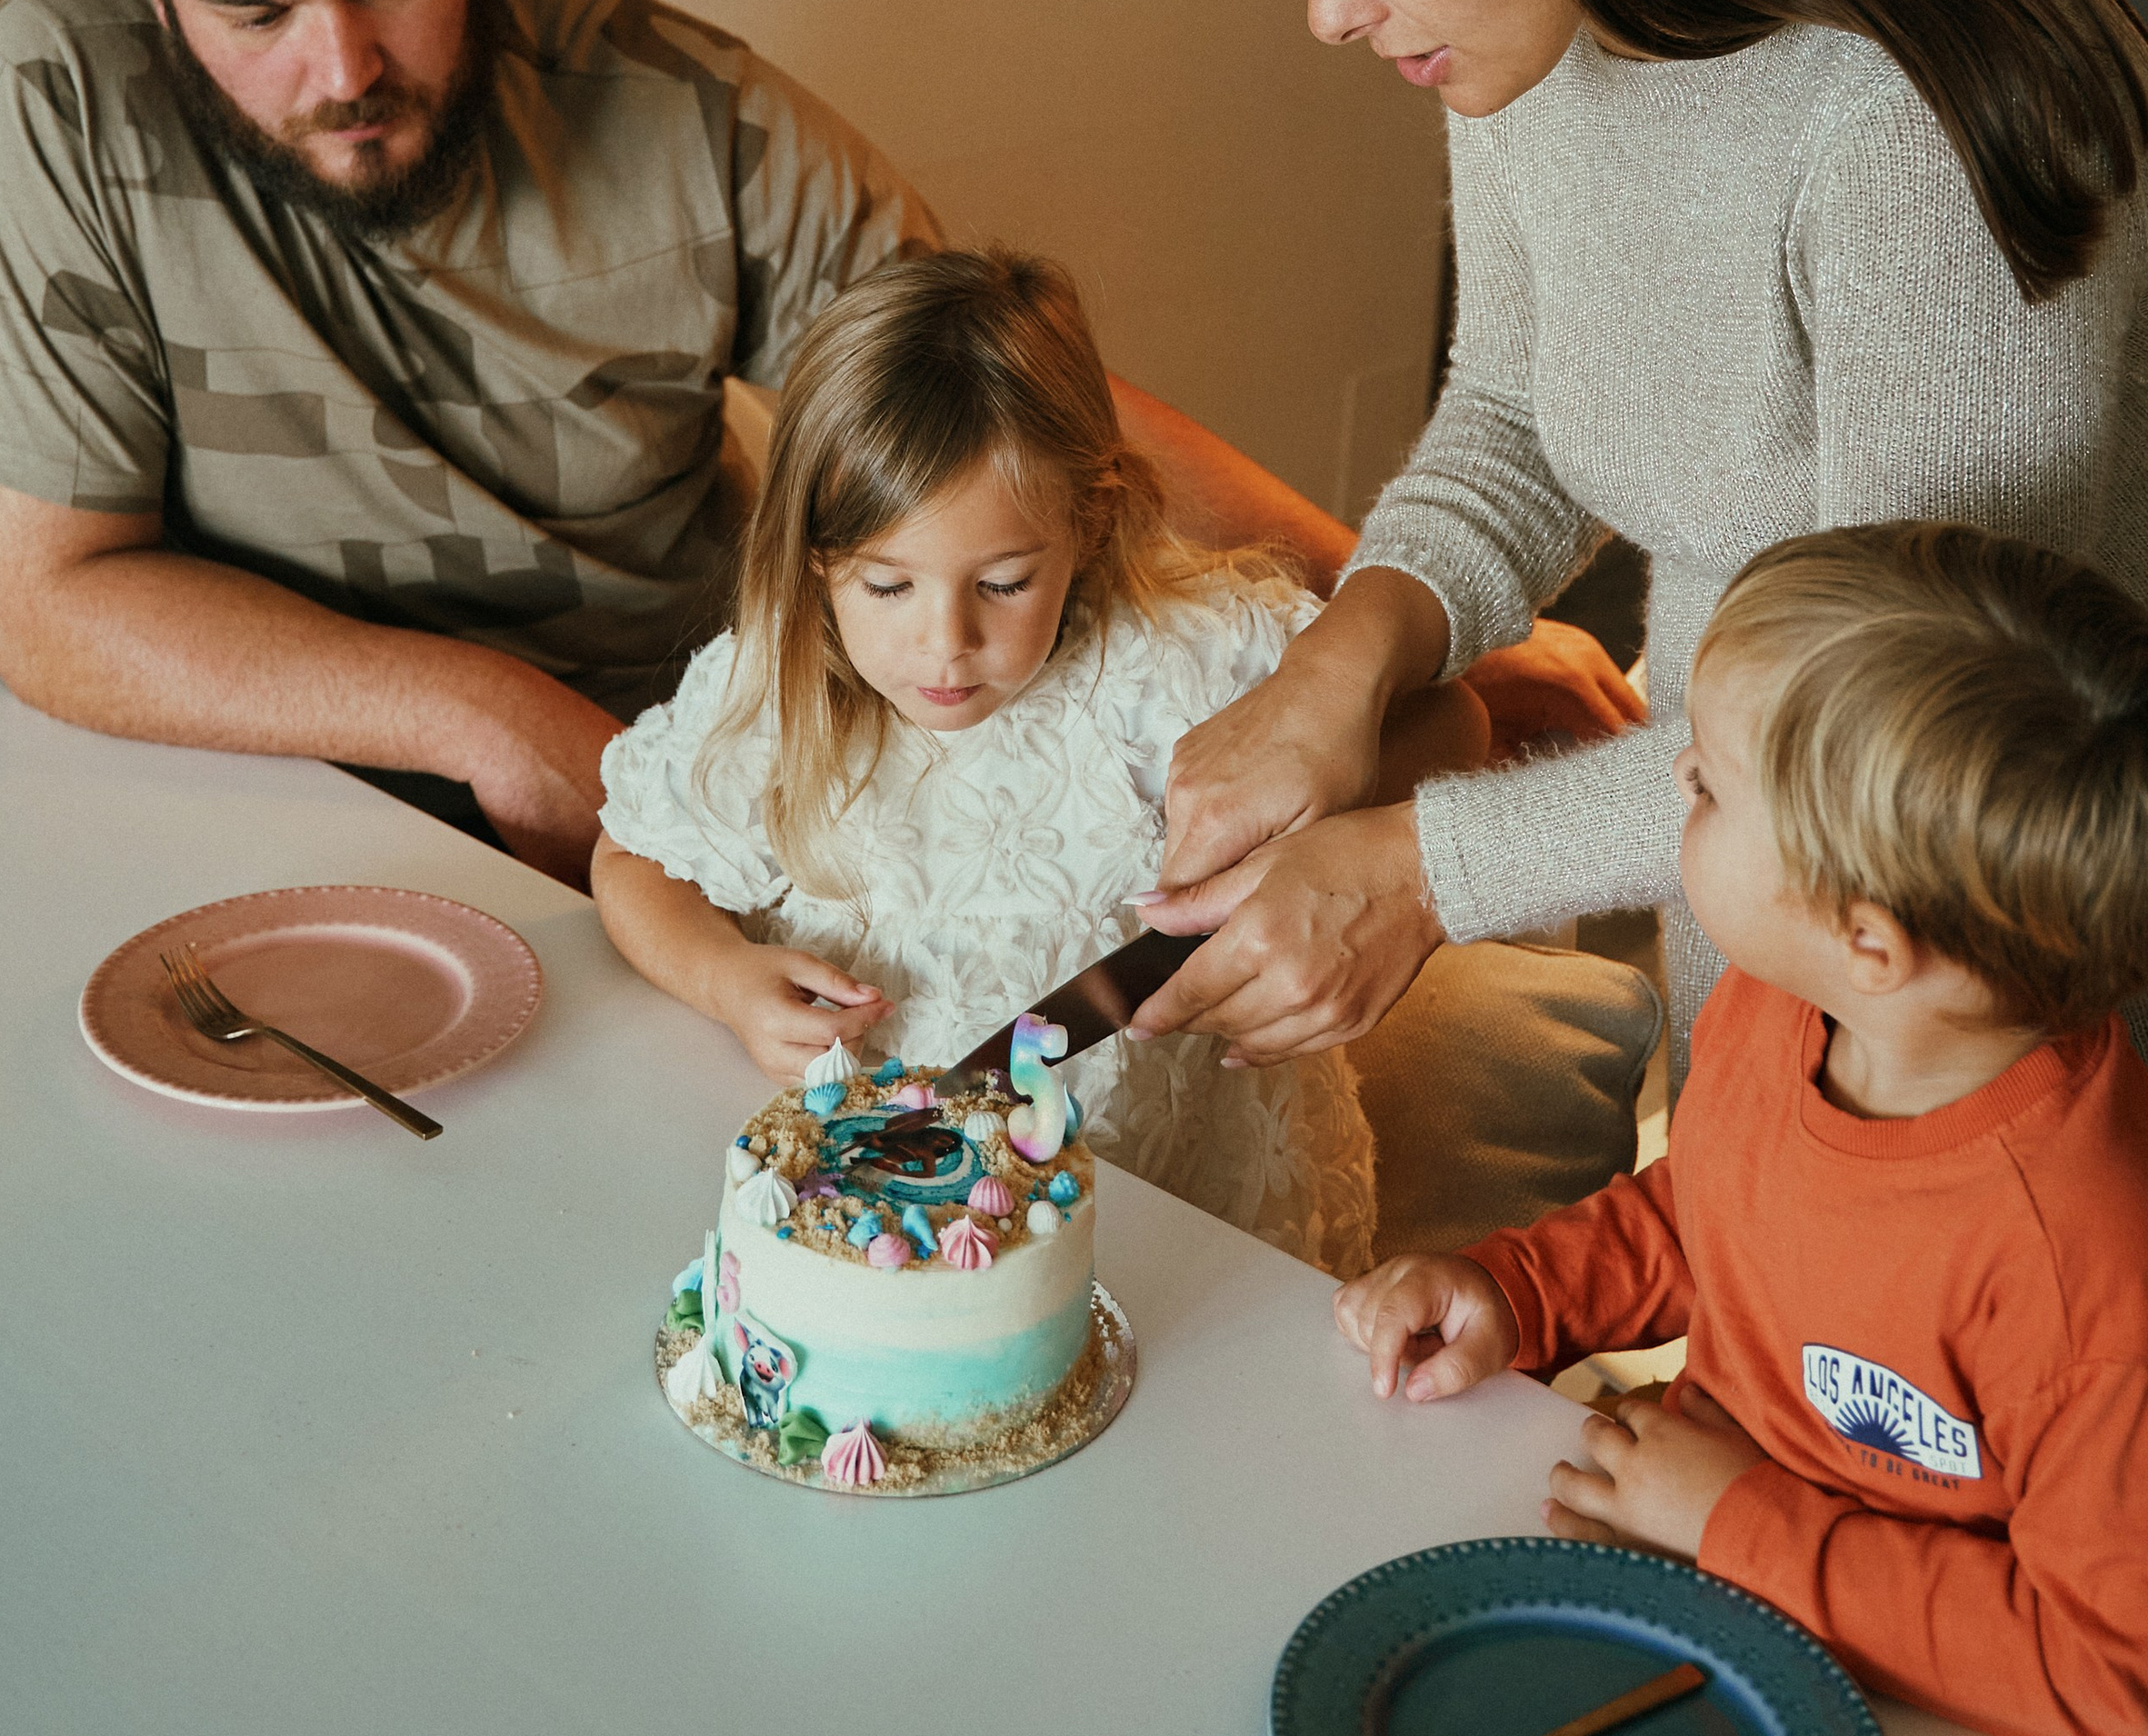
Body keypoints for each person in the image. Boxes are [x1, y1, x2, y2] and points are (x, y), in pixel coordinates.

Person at [1129, 0, 2148, 1239]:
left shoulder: (1920, 105)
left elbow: (1890, 730)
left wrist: (1428, 868)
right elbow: (1519, 410)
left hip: (2060, 1002)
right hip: (1761, 909)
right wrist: (1349, 654)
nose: (1328, 16)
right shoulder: (1526, 39)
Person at [0, 0, 1344, 883]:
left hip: (667, 775)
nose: (340, 68)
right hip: (253, 787)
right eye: (252, 12)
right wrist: (483, 712)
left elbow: (1004, 411)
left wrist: (1391, 609)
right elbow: (46, 600)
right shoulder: (54, 102)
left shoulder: (680, 107)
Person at [1335, 524, 2148, 1736]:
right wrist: (1519, 1290)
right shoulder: (1789, 1004)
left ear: (1867, 938)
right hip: (1718, 1568)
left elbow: (2128, 1661)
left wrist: (1739, 1524)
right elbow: (1713, 1213)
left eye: (1705, 780)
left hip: (1950, 1729)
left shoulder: (2096, 1286)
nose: (1674, 789)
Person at [593, 248, 1488, 1270]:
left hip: (1188, 1225)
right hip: (894, 1236)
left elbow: (1452, 722)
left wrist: (1349, 836)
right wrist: (726, 979)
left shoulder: (1184, 662)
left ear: (1086, 523)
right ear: (813, 560)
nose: (946, 642)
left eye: (1006, 582)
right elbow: (630, 862)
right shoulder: (775, 690)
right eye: (887, 587)